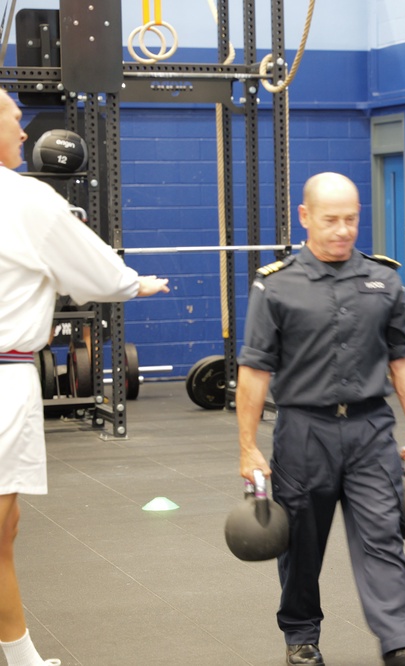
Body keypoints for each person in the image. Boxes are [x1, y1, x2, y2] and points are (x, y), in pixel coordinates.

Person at [236, 173, 405, 666]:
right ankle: (302, 638)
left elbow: (404, 358)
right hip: (303, 431)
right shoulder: (276, 286)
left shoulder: (383, 279)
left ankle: (401, 644)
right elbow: (254, 371)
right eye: (331, 220)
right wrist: (247, 447)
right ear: (305, 217)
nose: (343, 230)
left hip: (371, 429)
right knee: (302, 544)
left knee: (383, 537)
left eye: (351, 219)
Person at [0, 88, 170, 666]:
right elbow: (96, 274)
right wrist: (135, 283)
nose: (24, 133)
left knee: (7, 528)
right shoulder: (27, 199)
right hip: (4, 381)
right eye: (13, 120)